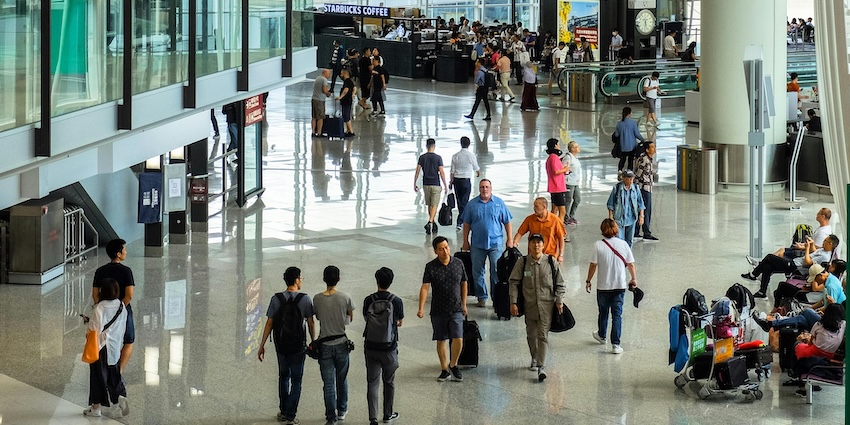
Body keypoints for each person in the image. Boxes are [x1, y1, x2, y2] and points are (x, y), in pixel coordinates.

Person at [258, 267, 317, 425]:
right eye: (301, 278)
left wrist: (262, 344)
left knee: (283, 376)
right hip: (298, 346)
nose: (302, 280)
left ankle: (283, 411)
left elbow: (269, 322)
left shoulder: (276, 299)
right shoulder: (305, 299)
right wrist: (314, 341)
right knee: (296, 380)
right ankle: (291, 415)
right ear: (297, 280)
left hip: (281, 344)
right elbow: (311, 323)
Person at [508, 233, 566, 381]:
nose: (536, 245)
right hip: (529, 306)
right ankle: (534, 357)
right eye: (533, 242)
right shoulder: (523, 262)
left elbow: (560, 283)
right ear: (529, 245)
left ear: (543, 245)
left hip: (547, 306)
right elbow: (513, 282)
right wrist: (513, 302)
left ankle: (541, 366)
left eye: (539, 242)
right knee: (531, 334)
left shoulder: (551, 262)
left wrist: (559, 300)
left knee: (542, 335)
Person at [417, 236, 468, 382]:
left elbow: (464, 283)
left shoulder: (458, 263)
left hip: (456, 307)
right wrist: (421, 307)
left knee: (458, 337)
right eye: (441, 249)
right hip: (438, 309)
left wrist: (464, 304)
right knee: (441, 339)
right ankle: (444, 369)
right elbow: (425, 287)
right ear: (435, 251)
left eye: (446, 247)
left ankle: (454, 364)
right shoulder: (431, 267)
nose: (445, 251)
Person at [585, 219, 638, 354]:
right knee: (617, 315)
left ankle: (602, 335)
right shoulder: (623, 244)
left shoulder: (598, 245)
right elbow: (631, 264)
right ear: (616, 229)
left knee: (603, 312)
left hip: (603, 286)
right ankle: (616, 345)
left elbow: (593, 265)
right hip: (619, 285)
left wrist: (588, 280)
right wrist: (633, 278)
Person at [313, 266, 355, 425]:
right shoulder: (345, 297)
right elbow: (350, 318)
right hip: (342, 344)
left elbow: (317, 316)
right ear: (338, 278)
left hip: (324, 345)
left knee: (328, 383)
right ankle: (342, 410)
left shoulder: (317, 298)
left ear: (324, 279)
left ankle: (331, 417)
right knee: (342, 378)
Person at [461, 179, 514, 306]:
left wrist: (510, 239)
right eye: (482, 187)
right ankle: (481, 296)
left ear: (491, 188)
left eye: (487, 187)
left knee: (496, 270)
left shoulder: (499, 203)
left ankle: (496, 297)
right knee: (477, 271)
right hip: (477, 244)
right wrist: (465, 241)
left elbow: (507, 221)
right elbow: (466, 224)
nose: (484, 189)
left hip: (495, 244)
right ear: (479, 189)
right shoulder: (472, 205)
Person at [83, 278, 129, 417]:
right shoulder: (122, 306)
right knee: (113, 374)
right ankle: (119, 396)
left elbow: (93, 330)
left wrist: (87, 322)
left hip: (101, 347)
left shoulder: (99, 308)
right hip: (115, 346)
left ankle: (96, 407)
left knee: (97, 376)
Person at [363, 267, 403, 425]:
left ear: (376, 280)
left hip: (371, 346)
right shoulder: (396, 301)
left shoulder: (368, 300)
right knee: (389, 381)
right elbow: (399, 322)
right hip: (389, 348)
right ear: (391, 281)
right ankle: (388, 414)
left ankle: (372, 418)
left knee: (372, 382)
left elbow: (367, 319)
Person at [741, 235, 838, 298]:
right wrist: (811, 244)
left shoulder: (825, 256)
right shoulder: (823, 250)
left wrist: (807, 248)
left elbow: (807, 262)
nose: (823, 241)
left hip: (795, 267)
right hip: (794, 262)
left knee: (770, 257)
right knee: (767, 267)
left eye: (825, 240)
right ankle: (762, 292)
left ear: (830, 244)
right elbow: (813, 253)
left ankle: (754, 274)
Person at [92, 238, 135, 374]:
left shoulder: (100, 271)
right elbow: (129, 295)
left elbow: (95, 295)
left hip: (103, 311)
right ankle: (118, 372)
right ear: (118, 253)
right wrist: (120, 309)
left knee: (103, 341)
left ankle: (103, 371)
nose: (126, 252)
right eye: (124, 249)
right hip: (123, 310)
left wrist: (102, 307)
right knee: (128, 340)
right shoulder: (126, 271)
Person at [512, 197, 565, 263]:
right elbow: (520, 233)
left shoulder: (555, 220)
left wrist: (561, 255)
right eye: (534, 206)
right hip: (533, 256)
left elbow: (561, 238)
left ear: (544, 206)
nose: (534, 208)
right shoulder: (529, 219)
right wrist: (515, 242)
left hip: (549, 256)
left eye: (536, 206)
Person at [414, 138, 449, 234]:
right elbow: (441, 172)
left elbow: (417, 171)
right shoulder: (438, 158)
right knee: (434, 205)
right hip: (436, 184)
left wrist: (415, 183)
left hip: (426, 184)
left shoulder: (422, 157)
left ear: (426, 146)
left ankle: (433, 223)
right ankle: (430, 222)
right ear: (434, 146)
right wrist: (445, 185)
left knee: (430, 205)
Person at [606, 170, 645, 247]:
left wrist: (641, 216)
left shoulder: (636, 188)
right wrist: (610, 218)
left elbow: (641, 203)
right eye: (629, 178)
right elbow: (610, 204)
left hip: (631, 217)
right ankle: (620, 257)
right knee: (619, 240)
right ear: (623, 178)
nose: (631, 180)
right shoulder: (617, 188)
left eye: (632, 178)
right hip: (618, 218)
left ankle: (627, 257)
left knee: (629, 240)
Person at [450, 136, 481, 231]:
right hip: (466, 181)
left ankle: (462, 220)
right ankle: (460, 221)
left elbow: (452, 171)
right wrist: (478, 174)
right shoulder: (471, 156)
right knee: (464, 202)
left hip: (456, 181)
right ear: (469, 144)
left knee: (460, 202)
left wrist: (451, 182)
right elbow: (477, 169)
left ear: (461, 143)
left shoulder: (455, 156)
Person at [633, 141, 658, 241]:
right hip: (644, 188)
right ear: (647, 149)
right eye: (652, 147)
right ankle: (646, 232)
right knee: (646, 210)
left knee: (642, 210)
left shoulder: (647, 158)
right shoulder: (645, 160)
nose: (654, 148)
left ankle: (637, 231)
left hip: (646, 187)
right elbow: (638, 174)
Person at [544, 139, 569, 224]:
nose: (559, 146)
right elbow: (556, 171)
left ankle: (551, 227)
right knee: (562, 211)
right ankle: (559, 229)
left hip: (554, 186)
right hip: (557, 187)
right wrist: (565, 169)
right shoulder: (554, 157)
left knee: (554, 210)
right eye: (558, 144)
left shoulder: (551, 157)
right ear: (555, 145)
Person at [614, 107, 646, 172]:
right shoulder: (633, 123)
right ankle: (629, 172)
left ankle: (620, 170)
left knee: (622, 159)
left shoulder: (619, 124)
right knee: (630, 159)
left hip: (623, 146)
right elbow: (637, 134)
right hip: (632, 146)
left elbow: (616, 135)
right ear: (629, 114)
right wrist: (643, 140)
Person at [561, 141, 582, 226]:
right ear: (572, 149)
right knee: (568, 200)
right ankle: (566, 217)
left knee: (577, 199)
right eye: (577, 146)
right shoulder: (568, 157)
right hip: (569, 182)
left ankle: (571, 215)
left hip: (575, 182)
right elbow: (563, 168)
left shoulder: (575, 158)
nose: (578, 147)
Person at [335, 68, 356, 137]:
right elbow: (354, 88)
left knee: (346, 116)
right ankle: (348, 130)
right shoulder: (349, 81)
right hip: (348, 101)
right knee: (346, 115)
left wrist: (340, 97)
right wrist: (352, 94)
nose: (341, 75)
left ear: (345, 74)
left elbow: (346, 90)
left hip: (346, 101)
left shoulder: (347, 81)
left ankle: (351, 131)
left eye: (341, 73)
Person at [311, 69, 332, 137]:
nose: (329, 75)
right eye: (329, 74)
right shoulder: (324, 80)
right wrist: (328, 94)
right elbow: (324, 90)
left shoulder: (317, 78)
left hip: (314, 99)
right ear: (325, 73)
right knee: (320, 117)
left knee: (314, 117)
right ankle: (319, 133)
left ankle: (313, 132)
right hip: (320, 100)